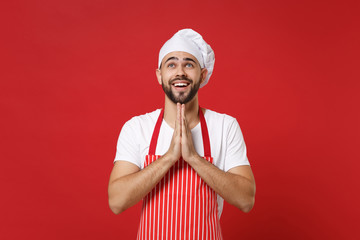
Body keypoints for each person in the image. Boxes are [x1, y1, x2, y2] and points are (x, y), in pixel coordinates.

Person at [108, 29, 256, 240]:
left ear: (203, 74)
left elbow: (246, 200)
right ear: (159, 75)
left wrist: (193, 158)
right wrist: (169, 157)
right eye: (171, 64)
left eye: (189, 64)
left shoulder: (225, 126)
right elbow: (116, 201)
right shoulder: (137, 128)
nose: (180, 72)